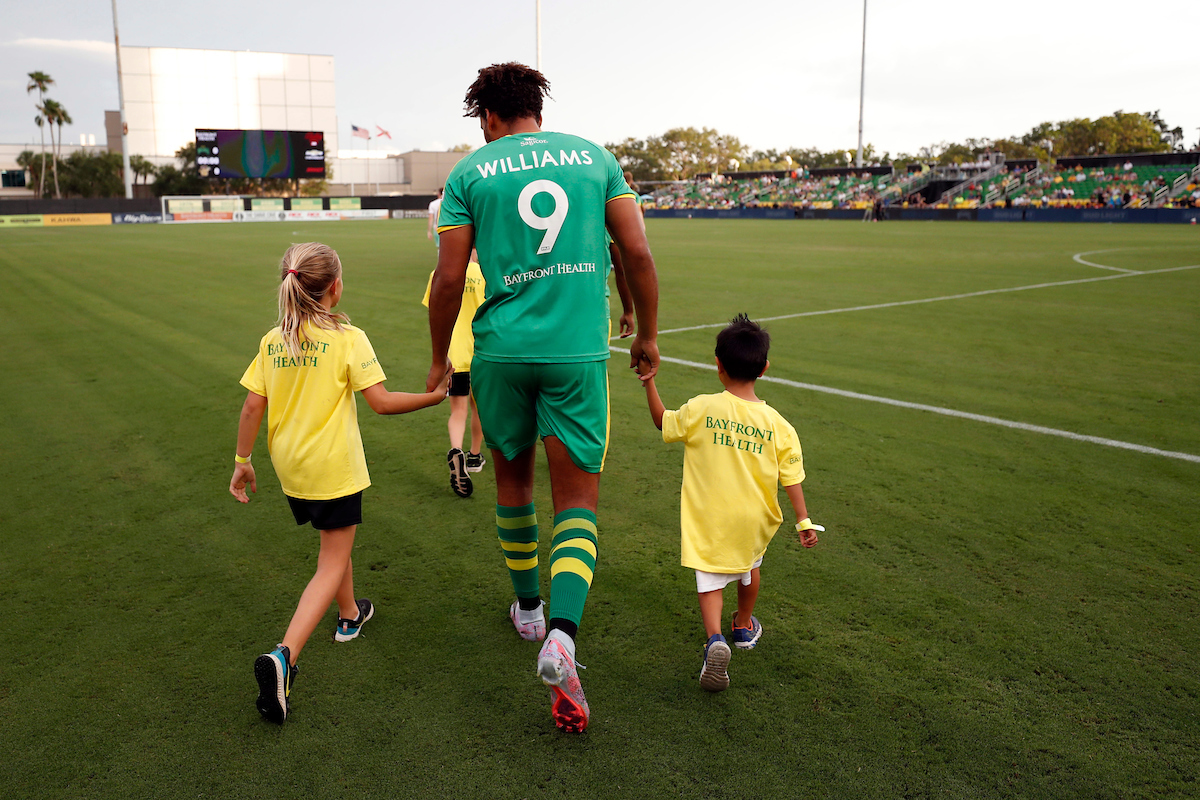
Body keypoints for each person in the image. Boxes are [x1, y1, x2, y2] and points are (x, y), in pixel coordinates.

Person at [425, 62, 659, 733]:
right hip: (576, 352)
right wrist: (646, 333)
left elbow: (447, 281)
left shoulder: (469, 174)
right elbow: (637, 254)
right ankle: (562, 635)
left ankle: (527, 610)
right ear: (537, 109)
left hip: (499, 352)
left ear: (487, 118)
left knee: (513, 485)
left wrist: (442, 358)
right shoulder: (595, 159)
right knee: (577, 501)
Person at [230, 242, 449, 724]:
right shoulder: (348, 338)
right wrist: (434, 398)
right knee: (330, 560)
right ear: (335, 287)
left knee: (335, 538)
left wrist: (243, 461)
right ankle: (284, 657)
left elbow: (251, 406)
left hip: (291, 467)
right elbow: (382, 402)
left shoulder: (274, 340)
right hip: (332, 466)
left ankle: (351, 615)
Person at [640, 314, 821, 693]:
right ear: (765, 368)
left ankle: (715, 640)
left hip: (711, 515)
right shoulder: (779, 424)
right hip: (753, 518)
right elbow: (792, 476)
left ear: (718, 366)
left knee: (710, 580)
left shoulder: (702, 407)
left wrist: (649, 382)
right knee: (749, 567)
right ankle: (743, 623)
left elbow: (663, 422)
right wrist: (803, 521)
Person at [422, 250, 487, 497]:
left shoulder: (438, 274)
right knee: (477, 408)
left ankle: (456, 450)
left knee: (457, 410)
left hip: (453, 356)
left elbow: (435, 311)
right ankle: (474, 456)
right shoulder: (483, 274)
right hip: (479, 352)